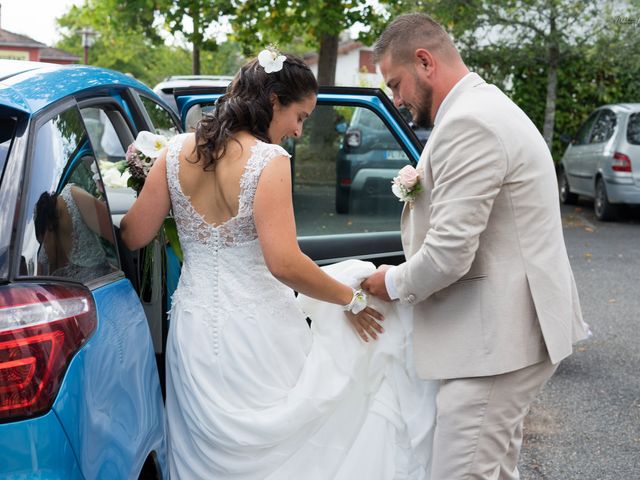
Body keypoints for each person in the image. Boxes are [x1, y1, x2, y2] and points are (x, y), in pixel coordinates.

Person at [120, 50, 437, 479]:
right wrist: (353, 300)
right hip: (259, 339)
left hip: (194, 336)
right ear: (273, 100)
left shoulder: (175, 153)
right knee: (289, 449)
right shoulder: (268, 162)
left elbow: (134, 234)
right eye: (300, 116)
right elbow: (284, 263)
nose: (299, 131)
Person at [361, 13, 591, 479]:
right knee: (495, 470)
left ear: (425, 61)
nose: (397, 99)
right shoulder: (478, 109)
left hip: (497, 341)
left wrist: (392, 281)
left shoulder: (472, 123)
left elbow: (449, 253)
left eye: (396, 83)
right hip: (499, 336)